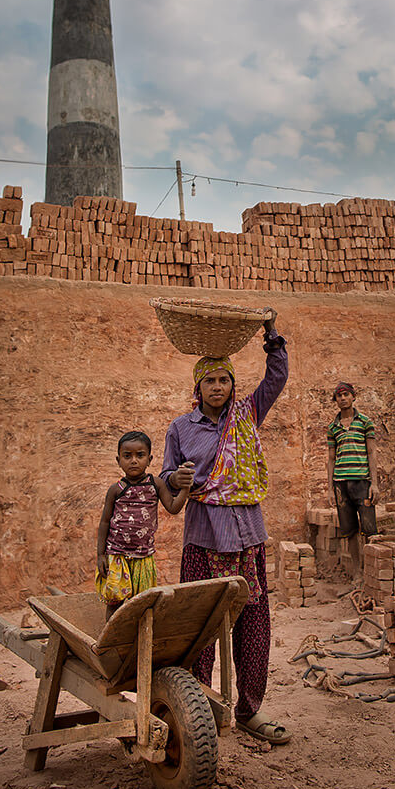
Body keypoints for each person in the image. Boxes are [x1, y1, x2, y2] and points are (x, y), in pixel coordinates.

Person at [161, 309, 290, 745]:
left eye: (224, 380)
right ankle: (201, 710)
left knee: (254, 624)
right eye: (209, 381)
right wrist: (175, 480)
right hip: (203, 538)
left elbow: (276, 378)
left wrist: (272, 336)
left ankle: (250, 709)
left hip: (248, 535)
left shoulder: (248, 413)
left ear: (233, 384)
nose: (218, 388)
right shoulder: (180, 428)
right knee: (198, 628)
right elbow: (164, 481)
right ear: (196, 388)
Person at [96, 430, 194, 617]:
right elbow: (104, 522)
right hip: (117, 557)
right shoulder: (116, 490)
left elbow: (173, 507)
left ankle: (140, 642)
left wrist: (185, 488)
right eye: (127, 456)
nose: (134, 460)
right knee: (114, 603)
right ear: (118, 460)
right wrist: (100, 555)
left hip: (143, 557)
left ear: (149, 459)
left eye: (140, 455)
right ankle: (112, 643)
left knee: (143, 605)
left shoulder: (155, 485)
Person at [327, 381, 379, 573]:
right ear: (336, 400)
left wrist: (374, 484)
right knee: (349, 532)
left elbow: (372, 453)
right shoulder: (332, 427)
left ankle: (371, 572)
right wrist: (330, 489)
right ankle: (357, 572)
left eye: (346, 395)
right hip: (341, 484)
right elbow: (331, 459)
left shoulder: (365, 422)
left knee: (369, 530)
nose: (342, 398)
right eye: (339, 396)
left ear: (353, 397)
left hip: (363, 483)